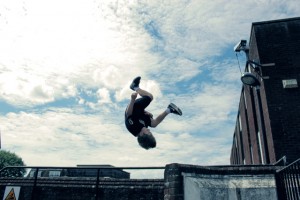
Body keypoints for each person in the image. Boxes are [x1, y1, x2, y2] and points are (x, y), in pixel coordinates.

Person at [125, 76, 182, 150]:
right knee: (154, 124)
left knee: (150, 97)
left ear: (142, 134)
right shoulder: (143, 128)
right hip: (140, 114)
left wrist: (132, 99)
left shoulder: (133, 128)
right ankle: (169, 109)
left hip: (133, 108)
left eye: (149, 133)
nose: (149, 130)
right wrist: (148, 115)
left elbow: (128, 113)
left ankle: (135, 87)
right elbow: (147, 120)